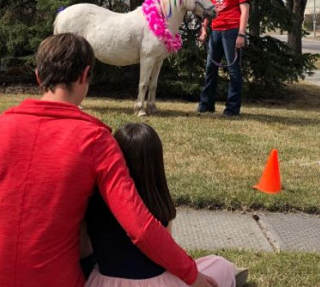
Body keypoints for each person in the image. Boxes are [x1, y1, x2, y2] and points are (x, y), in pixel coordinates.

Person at [0, 33, 219, 287]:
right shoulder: (97, 140)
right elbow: (139, 227)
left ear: (39, 76)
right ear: (86, 75)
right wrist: (192, 275)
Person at [85, 123, 241, 287]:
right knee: (220, 265)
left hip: (103, 281)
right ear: (156, 163)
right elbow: (166, 257)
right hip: (160, 282)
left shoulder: (95, 203)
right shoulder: (158, 204)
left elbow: (85, 249)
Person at [197, 0, 251, 117]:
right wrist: (204, 29)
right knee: (210, 68)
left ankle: (232, 109)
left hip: (232, 31)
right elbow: (208, 10)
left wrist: (241, 35)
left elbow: (245, 11)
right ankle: (206, 105)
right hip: (216, 31)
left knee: (234, 70)